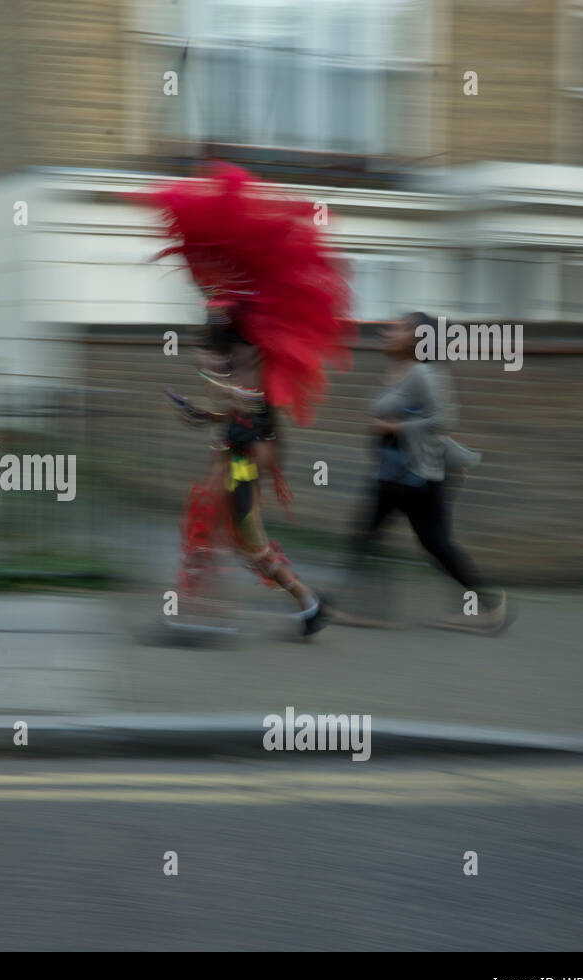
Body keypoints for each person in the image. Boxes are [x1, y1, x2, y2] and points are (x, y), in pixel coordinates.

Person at [139, 162, 355, 637]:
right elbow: (240, 391)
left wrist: (228, 405)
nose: (196, 277)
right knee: (236, 533)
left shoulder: (232, 318)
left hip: (246, 445)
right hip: (240, 439)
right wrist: (207, 410)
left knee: (221, 523)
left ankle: (207, 615)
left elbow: (251, 390)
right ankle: (306, 602)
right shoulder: (229, 314)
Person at [348, 312, 507, 633]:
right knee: (430, 542)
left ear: (419, 339)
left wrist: (395, 426)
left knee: (372, 536)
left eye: (403, 327)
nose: (392, 329)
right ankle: (487, 608)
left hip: (412, 473)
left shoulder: (422, 373)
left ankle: (370, 610)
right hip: (404, 472)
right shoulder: (407, 372)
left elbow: (445, 419)